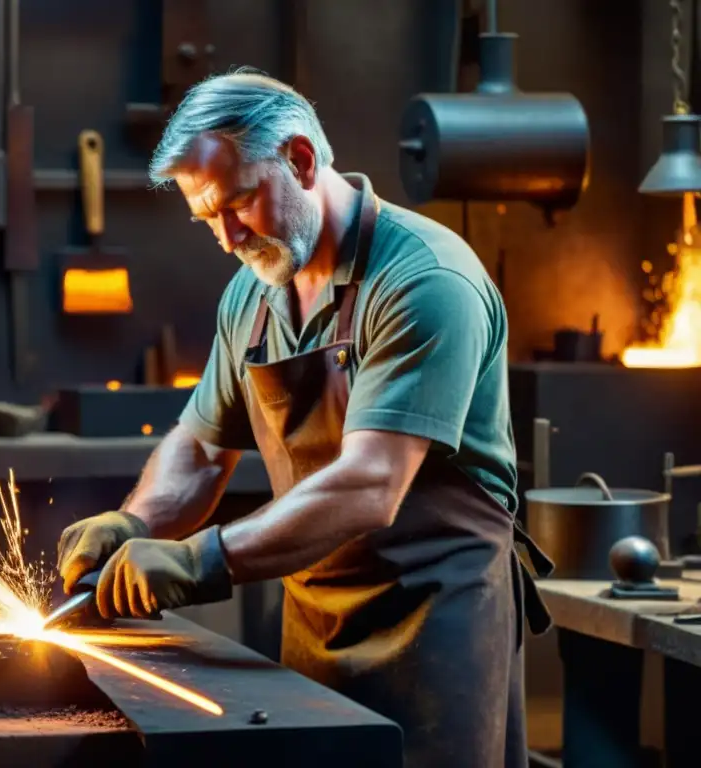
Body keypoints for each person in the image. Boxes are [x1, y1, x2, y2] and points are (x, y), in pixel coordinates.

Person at [56, 69, 554, 767]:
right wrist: (135, 524)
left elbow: (370, 485)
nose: (228, 238)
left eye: (238, 204)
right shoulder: (253, 295)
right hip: (315, 623)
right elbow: (200, 449)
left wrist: (199, 559)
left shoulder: (425, 280)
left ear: (299, 159)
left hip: (435, 626)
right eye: (208, 221)